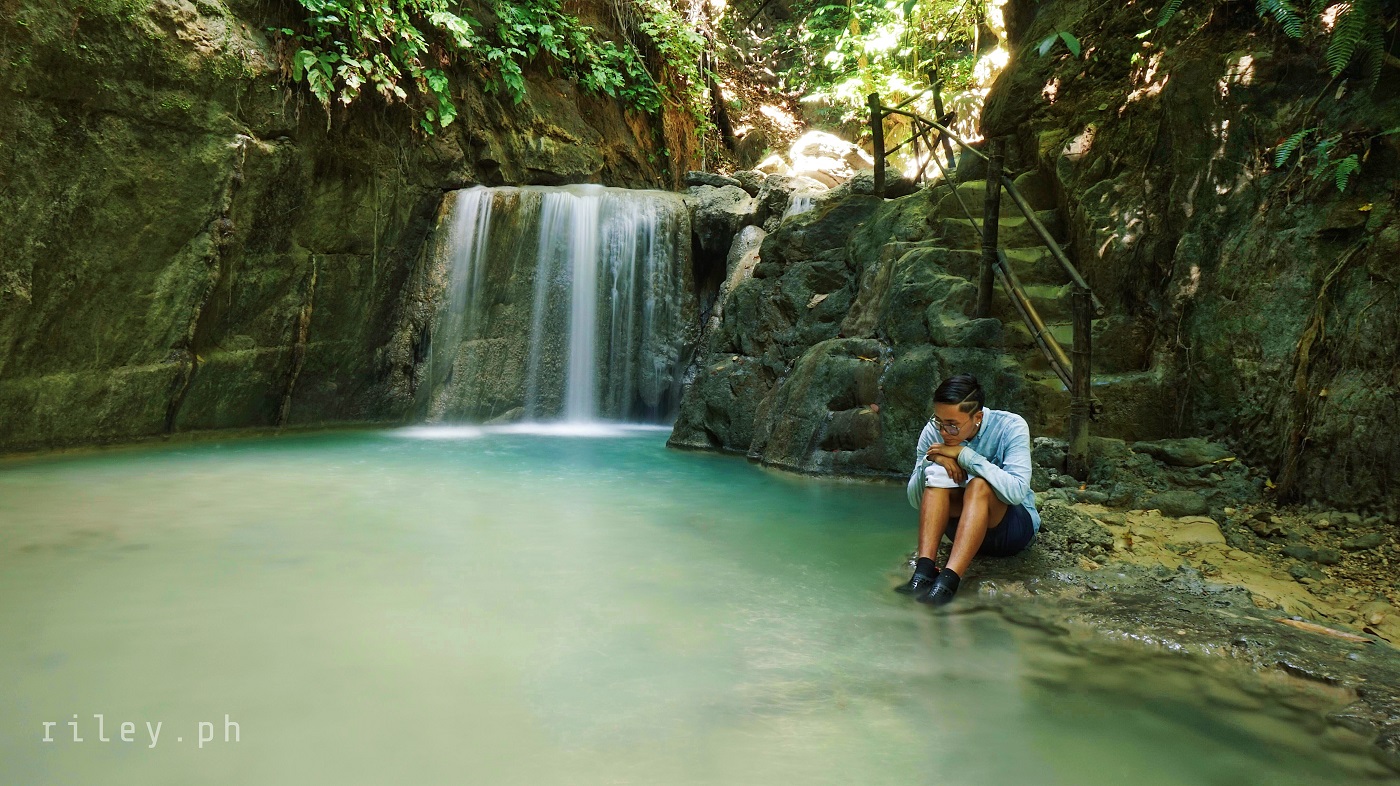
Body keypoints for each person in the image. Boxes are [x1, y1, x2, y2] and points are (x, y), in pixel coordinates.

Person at [895, 373, 1039, 605]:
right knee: (936, 477)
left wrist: (964, 455)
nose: (943, 432)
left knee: (979, 485)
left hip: (1010, 531)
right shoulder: (933, 430)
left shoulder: (1011, 426)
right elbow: (915, 499)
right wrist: (932, 461)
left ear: (977, 417)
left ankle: (948, 582)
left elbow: (1017, 492)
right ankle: (923, 573)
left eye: (952, 425)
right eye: (939, 421)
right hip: (961, 529)